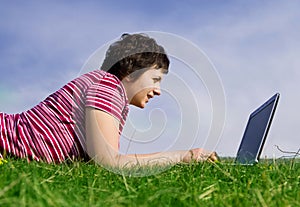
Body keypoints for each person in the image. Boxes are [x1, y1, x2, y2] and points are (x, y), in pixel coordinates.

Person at [0, 33, 218, 168]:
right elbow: (108, 162)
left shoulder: (111, 92)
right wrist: (183, 156)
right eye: (155, 79)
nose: (158, 90)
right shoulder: (107, 86)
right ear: (131, 71)